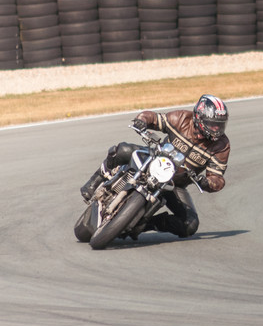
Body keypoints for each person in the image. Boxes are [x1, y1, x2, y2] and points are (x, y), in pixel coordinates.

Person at [80, 94, 230, 238]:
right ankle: (95, 181)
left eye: (220, 125)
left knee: (190, 224)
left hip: (175, 184)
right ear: (199, 118)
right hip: (154, 158)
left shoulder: (221, 145)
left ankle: (144, 224)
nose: (216, 129)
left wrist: (207, 182)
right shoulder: (182, 118)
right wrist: (142, 121)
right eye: (213, 124)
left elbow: (217, 177)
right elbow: (153, 117)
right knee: (122, 149)